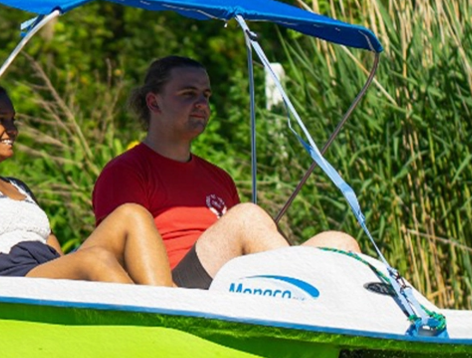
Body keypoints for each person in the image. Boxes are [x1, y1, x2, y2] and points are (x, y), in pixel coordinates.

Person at [91, 56, 360, 289]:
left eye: (205, 95)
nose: (201, 103)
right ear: (154, 102)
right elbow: (115, 254)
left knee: (339, 242)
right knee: (246, 217)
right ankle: (303, 300)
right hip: (171, 289)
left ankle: (349, 339)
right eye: (188, 94)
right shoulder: (126, 171)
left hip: (228, 283)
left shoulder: (218, 177)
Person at [0, 81, 176, 305]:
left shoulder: (18, 187)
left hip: (41, 272)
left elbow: (57, 255)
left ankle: (169, 307)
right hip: (4, 278)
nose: (12, 129)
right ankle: (154, 329)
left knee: (132, 214)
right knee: (96, 259)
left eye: (13, 120)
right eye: (0, 120)